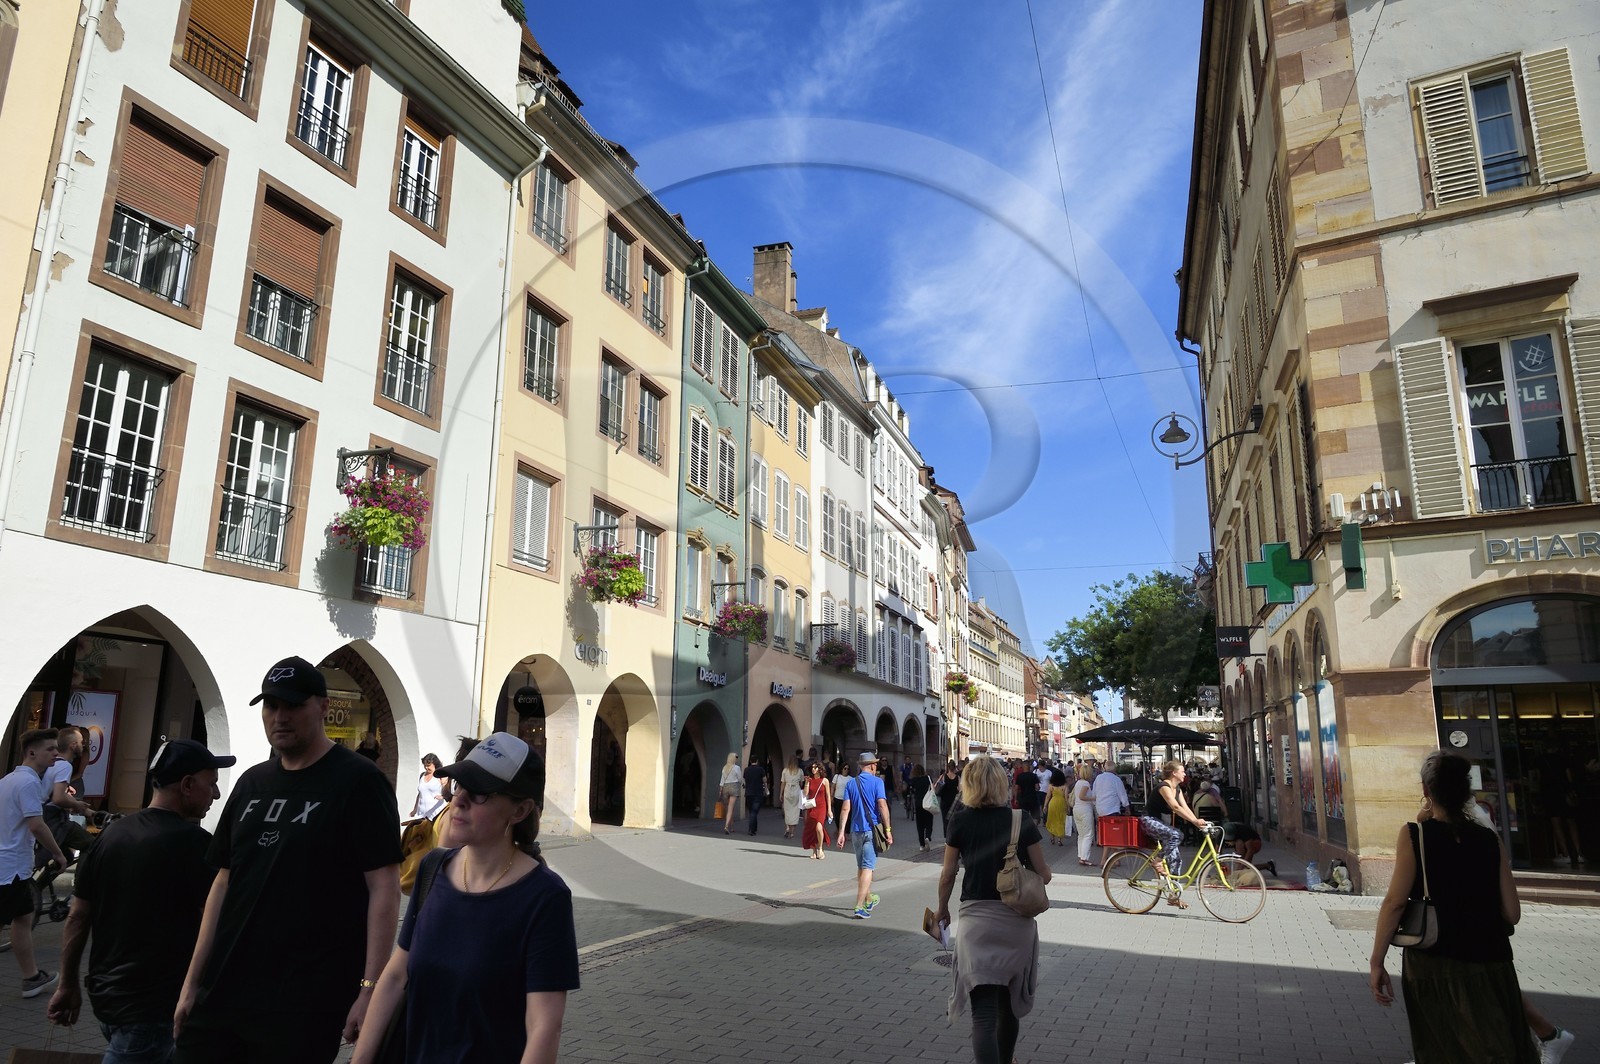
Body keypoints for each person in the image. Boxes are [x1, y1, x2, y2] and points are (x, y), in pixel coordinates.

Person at [174, 656, 402, 1063]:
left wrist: (370, 990)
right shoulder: (251, 782)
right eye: (271, 706)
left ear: (323, 707)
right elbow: (224, 882)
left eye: (293, 705)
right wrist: (192, 983)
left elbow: (383, 887)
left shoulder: (359, 781)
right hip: (224, 990)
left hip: (304, 1002)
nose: (280, 716)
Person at [353, 732, 577, 1064]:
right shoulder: (434, 869)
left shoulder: (545, 897)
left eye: (481, 794)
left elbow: (543, 1026)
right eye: (459, 786)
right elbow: (396, 976)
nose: (459, 800)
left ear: (520, 810)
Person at [46, 738, 234, 1059]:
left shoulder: (109, 836)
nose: (215, 795)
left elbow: (78, 917)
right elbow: (218, 924)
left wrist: (67, 983)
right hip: (153, 1010)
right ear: (187, 785)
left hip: (107, 1000)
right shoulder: (196, 845)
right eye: (212, 784)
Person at [1370, 751, 1538, 1064]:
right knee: (1498, 1045)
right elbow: (1512, 913)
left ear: (1426, 790)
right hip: (1493, 959)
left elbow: (1395, 903)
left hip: (1435, 962)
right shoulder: (1490, 838)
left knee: (1442, 1046)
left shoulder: (1414, 835)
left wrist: (1376, 961)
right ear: (1466, 792)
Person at [935, 756, 1050, 1064]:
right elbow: (1045, 874)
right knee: (1008, 1008)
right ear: (1001, 783)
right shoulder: (1020, 819)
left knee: (983, 1016)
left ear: (967, 784)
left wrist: (942, 908)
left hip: (976, 923)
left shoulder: (959, 820)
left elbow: (948, 873)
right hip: (1015, 923)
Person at [1, 729, 71, 999]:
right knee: (17, 917)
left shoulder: (7, 780)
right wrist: (58, 853)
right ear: (32, 753)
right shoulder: (28, 783)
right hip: (11, 867)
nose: (56, 753)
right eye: (50, 749)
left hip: (10, 865)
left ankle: (31, 977)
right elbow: (36, 824)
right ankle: (30, 978)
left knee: (23, 917)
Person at [1139, 761, 1208, 908]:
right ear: (1174, 773)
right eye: (1182, 771)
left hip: (1160, 823)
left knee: (1176, 860)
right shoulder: (1164, 787)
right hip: (1149, 820)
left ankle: (1173, 897)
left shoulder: (1178, 790)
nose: (1185, 774)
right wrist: (1195, 821)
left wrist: (1197, 823)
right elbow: (1175, 807)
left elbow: (1185, 808)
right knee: (1176, 835)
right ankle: (1157, 861)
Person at [836, 751, 892, 918]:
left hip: (855, 831)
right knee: (868, 868)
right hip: (871, 831)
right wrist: (888, 830)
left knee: (861, 867)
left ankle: (868, 899)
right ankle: (859, 907)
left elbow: (845, 809)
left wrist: (841, 832)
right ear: (873, 766)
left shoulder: (851, 784)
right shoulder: (877, 782)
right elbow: (882, 806)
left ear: (860, 766)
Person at [41, 724, 97, 858]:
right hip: (54, 820)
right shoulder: (65, 766)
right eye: (81, 742)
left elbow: (52, 791)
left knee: (65, 856)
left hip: (43, 815)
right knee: (92, 846)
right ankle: (82, 878)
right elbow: (58, 798)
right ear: (73, 745)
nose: (83, 746)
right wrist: (76, 804)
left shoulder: (51, 763)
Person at [801, 762, 832, 860]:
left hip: (821, 807)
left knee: (819, 827)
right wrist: (806, 783)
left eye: (816, 767)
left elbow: (828, 795)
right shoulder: (809, 780)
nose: (813, 769)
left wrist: (830, 810)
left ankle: (820, 849)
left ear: (820, 769)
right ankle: (814, 850)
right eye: (812, 767)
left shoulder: (824, 781)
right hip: (811, 807)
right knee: (811, 829)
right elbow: (805, 793)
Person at [1070, 764, 1097, 866]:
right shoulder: (1086, 784)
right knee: (1088, 834)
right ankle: (1084, 857)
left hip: (1077, 810)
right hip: (1085, 810)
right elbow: (1082, 796)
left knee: (1081, 835)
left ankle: (1081, 855)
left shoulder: (1078, 783)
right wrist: (1093, 798)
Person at [411, 753, 446, 820]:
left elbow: (448, 791)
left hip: (435, 813)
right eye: (425, 765)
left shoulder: (441, 775)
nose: (426, 767)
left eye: (428, 765)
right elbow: (420, 794)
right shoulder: (422, 775)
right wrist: (414, 810)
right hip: (421, 814)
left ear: (434, 764)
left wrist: (443, 796)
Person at [910, 763, 935, 851]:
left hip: (918, 803)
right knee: (929, 821)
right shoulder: (928, 778)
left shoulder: (914, 780)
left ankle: (921, 844)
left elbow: (910, 789)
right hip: (928, 803)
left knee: (920, 824)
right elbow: (933, 789)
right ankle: (927, 836)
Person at [1042, 767, 1068, 847]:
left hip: (1053, 803)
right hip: (1061, 803)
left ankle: (1052, 837)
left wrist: (1045, 806)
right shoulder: (1065, 786)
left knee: (1052, 820)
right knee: (1061, 820)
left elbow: (1048, 796)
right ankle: (1059, 839)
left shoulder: (1051, 786)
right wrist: (1068, 807)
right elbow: (1066, 797)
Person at [779, 757, 804, 840]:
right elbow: (801, 783)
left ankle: (787, 827)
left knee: (787, 810)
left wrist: (781, 794)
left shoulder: (785, 771)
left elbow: (783, 783)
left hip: (787, 790)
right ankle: (792, 832)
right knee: (795, 811)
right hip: (796, 790)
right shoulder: (800, 771)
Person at [743, 755, 767, 836]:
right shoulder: (760, 769)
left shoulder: (746, 770)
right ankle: (751, 829)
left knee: (752, 811)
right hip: (758, 793)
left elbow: (744, 782)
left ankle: (754, 828)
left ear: (750, 761)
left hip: (749, 793)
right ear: (757, 761)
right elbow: (764, 780)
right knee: (754, 812)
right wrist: (766, 789)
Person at [936, 761, 961, 838]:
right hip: (954, 802)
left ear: (948, 767)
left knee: (945, 820)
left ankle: (946, 837)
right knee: (953, 819)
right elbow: (960, 790)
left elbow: (936, 785)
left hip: (944, 801)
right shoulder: (958, 777)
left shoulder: (943, 776)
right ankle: (953, 835)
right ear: (954, 768)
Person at [719, 753, 742, 834]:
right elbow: (739, 779)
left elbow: (722, 780)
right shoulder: (737, 768)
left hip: (725, 787)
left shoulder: (725, 768)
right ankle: (726, 826)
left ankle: (731, 826)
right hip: (733, 787)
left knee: (728, 807)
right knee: (731, 808)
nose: (737, 759)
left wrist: (720, 790)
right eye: (736, 757)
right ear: (733, 758)